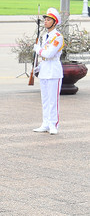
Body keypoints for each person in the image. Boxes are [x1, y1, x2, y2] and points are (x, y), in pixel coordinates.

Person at [33, 7, 64, 135]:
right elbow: (45, 56)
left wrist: (38, 50)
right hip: (45, 70)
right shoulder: (44, 36)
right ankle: (45, 123)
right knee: (45, 100)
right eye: (45, 19)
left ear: (54, 22)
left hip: (53, 71)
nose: (45, 21)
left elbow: (50, 54)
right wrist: (39, 66)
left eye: (48, 20)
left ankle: (53, 124)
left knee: (53, 100)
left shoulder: (57, 37)